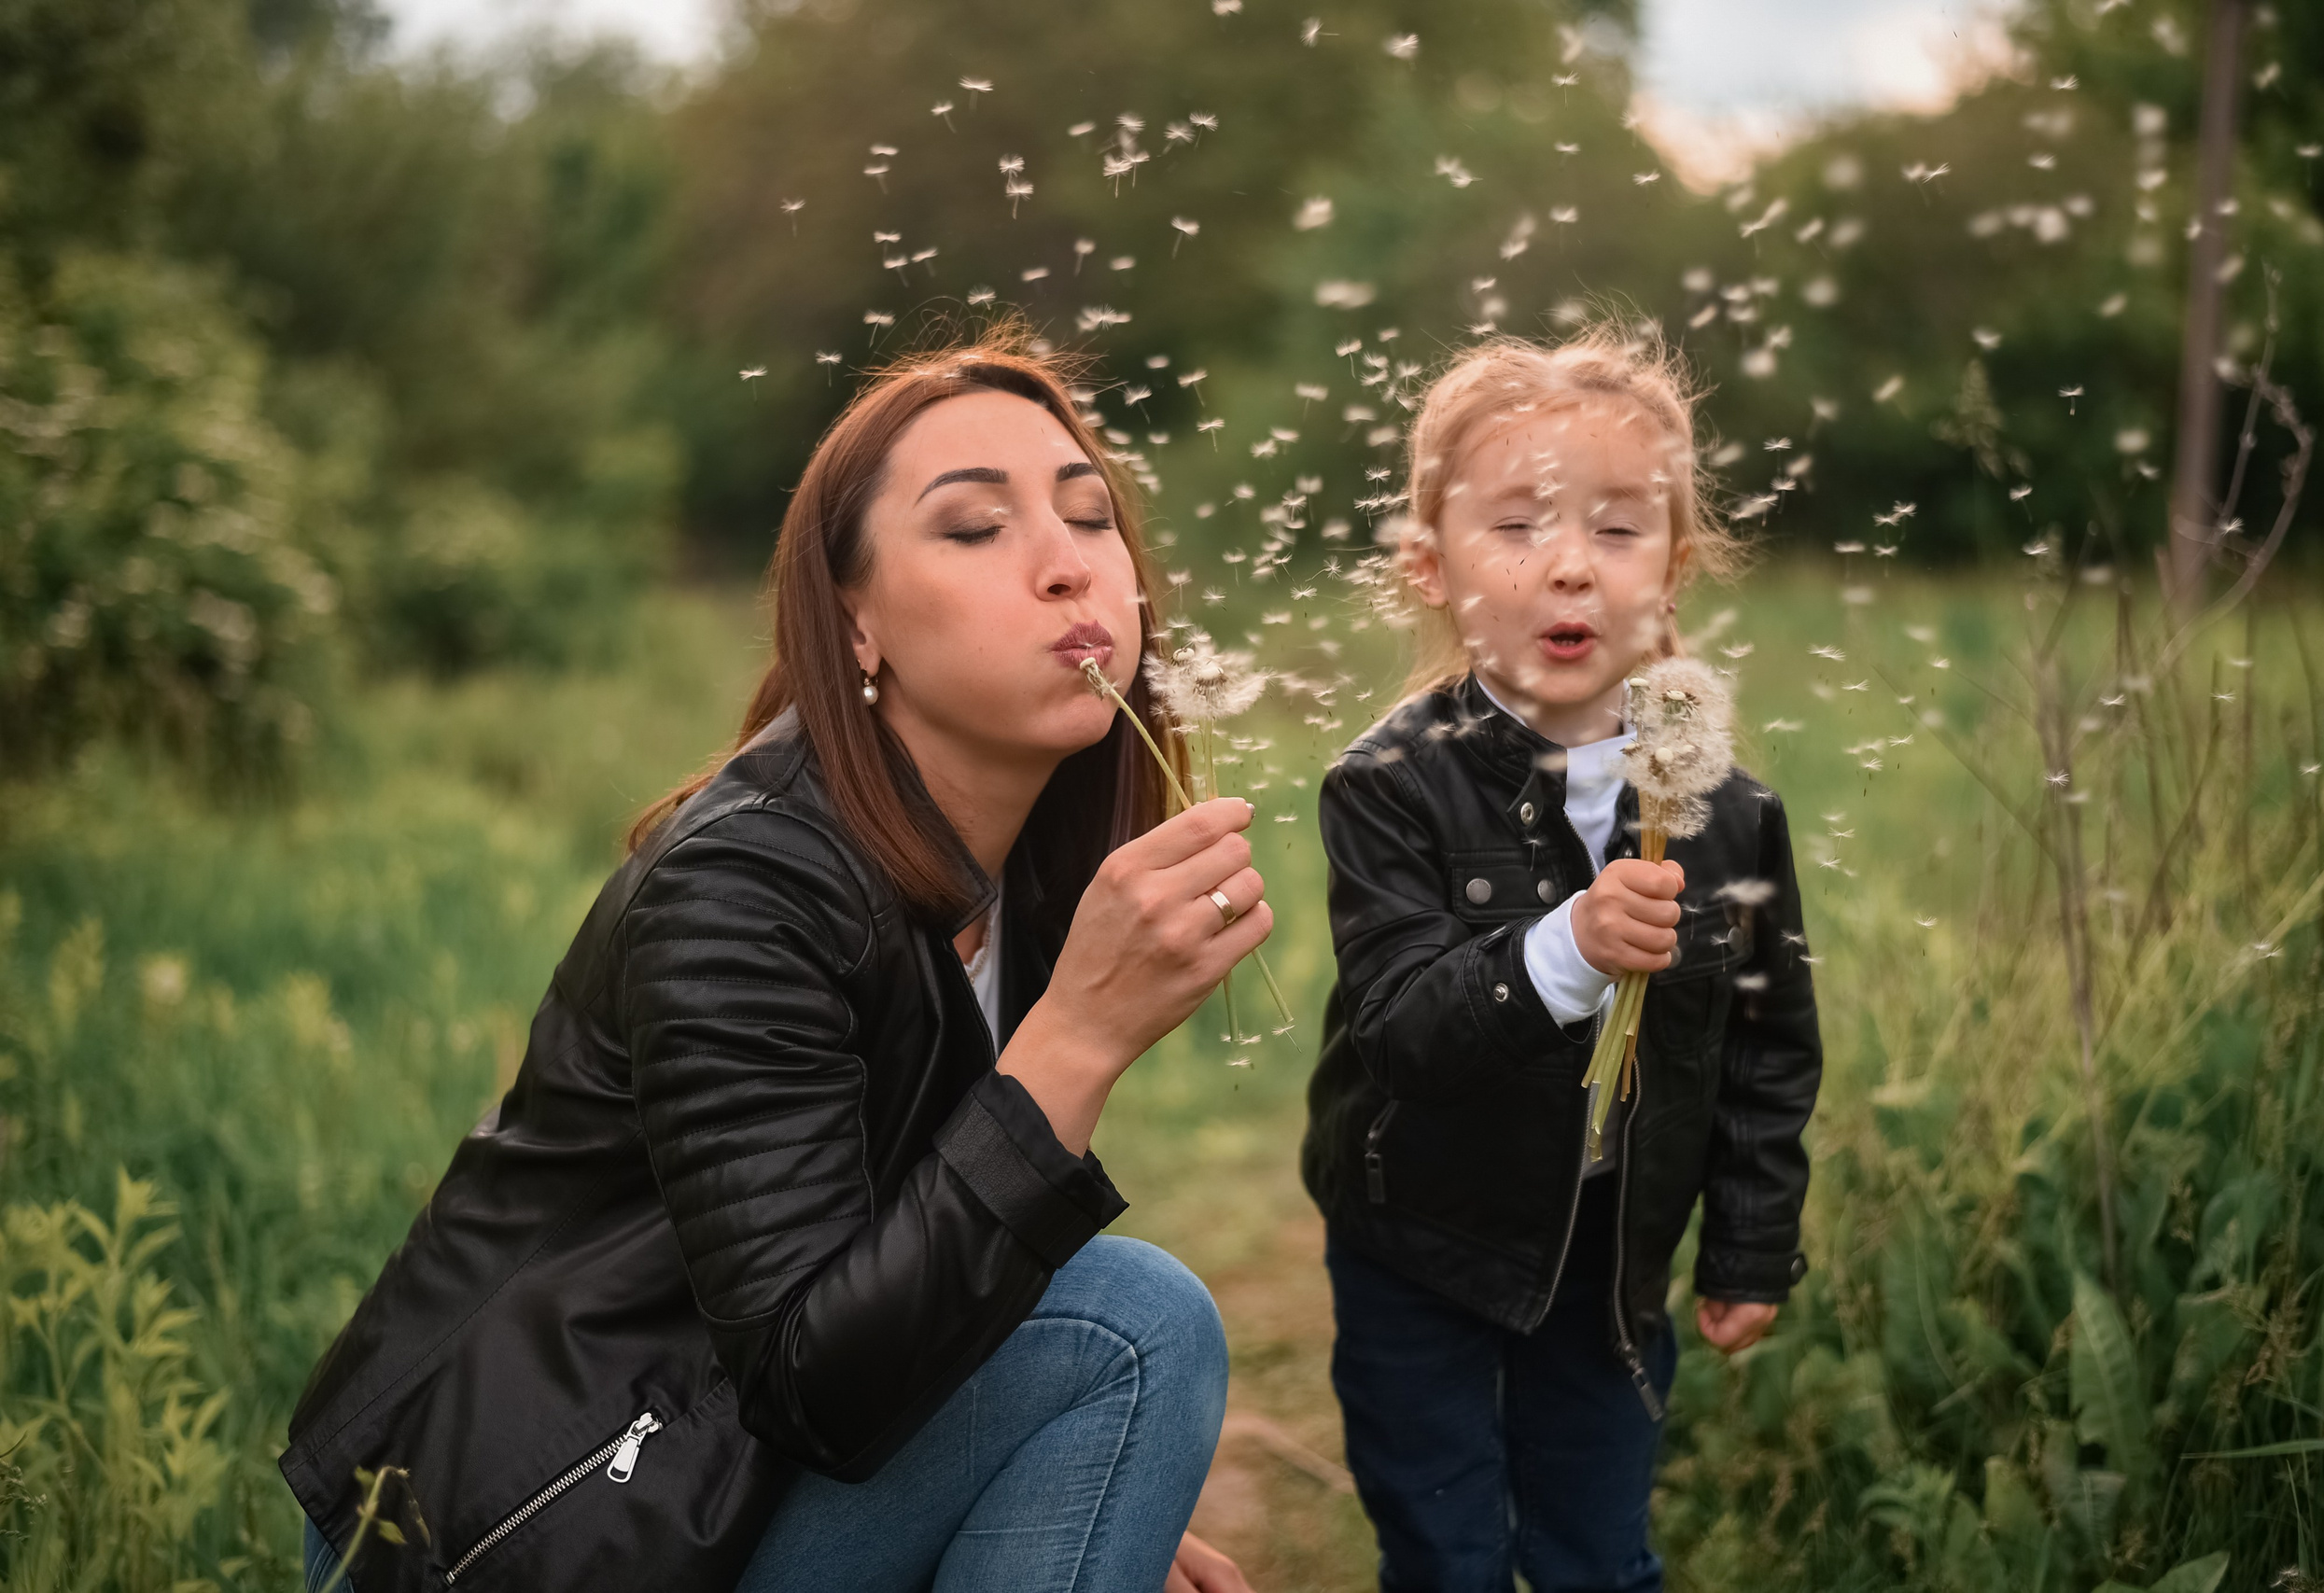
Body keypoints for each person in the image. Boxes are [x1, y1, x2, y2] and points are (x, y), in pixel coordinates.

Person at [284, 330, 1262, 1593]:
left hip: (723, 1473)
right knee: (1133, 1325)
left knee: (1110, 1364)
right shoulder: (743, 887)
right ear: (856, 623)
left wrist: (1070, 1477)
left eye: (1090, 517)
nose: (1068, 564)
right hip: (527, 1526)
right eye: (976, 527)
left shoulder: (1023, 872)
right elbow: (812, 1382)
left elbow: (915, 1269)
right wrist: (1074, 1039)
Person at [1299, 326, 1825, 1592]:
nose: (1572, 566)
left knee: (1599, 1555)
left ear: (1675, 569)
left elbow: (1766, 1049)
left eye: (1619, 528)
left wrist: (1750, 1246)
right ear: (1431, 567)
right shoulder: (1389, 787)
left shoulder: (1729, 813)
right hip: (1420, 1238)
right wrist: (1567, 948)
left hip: (1610, 1254)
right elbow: (1400, 1028)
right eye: (1518, 525)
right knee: (1449, 1557)